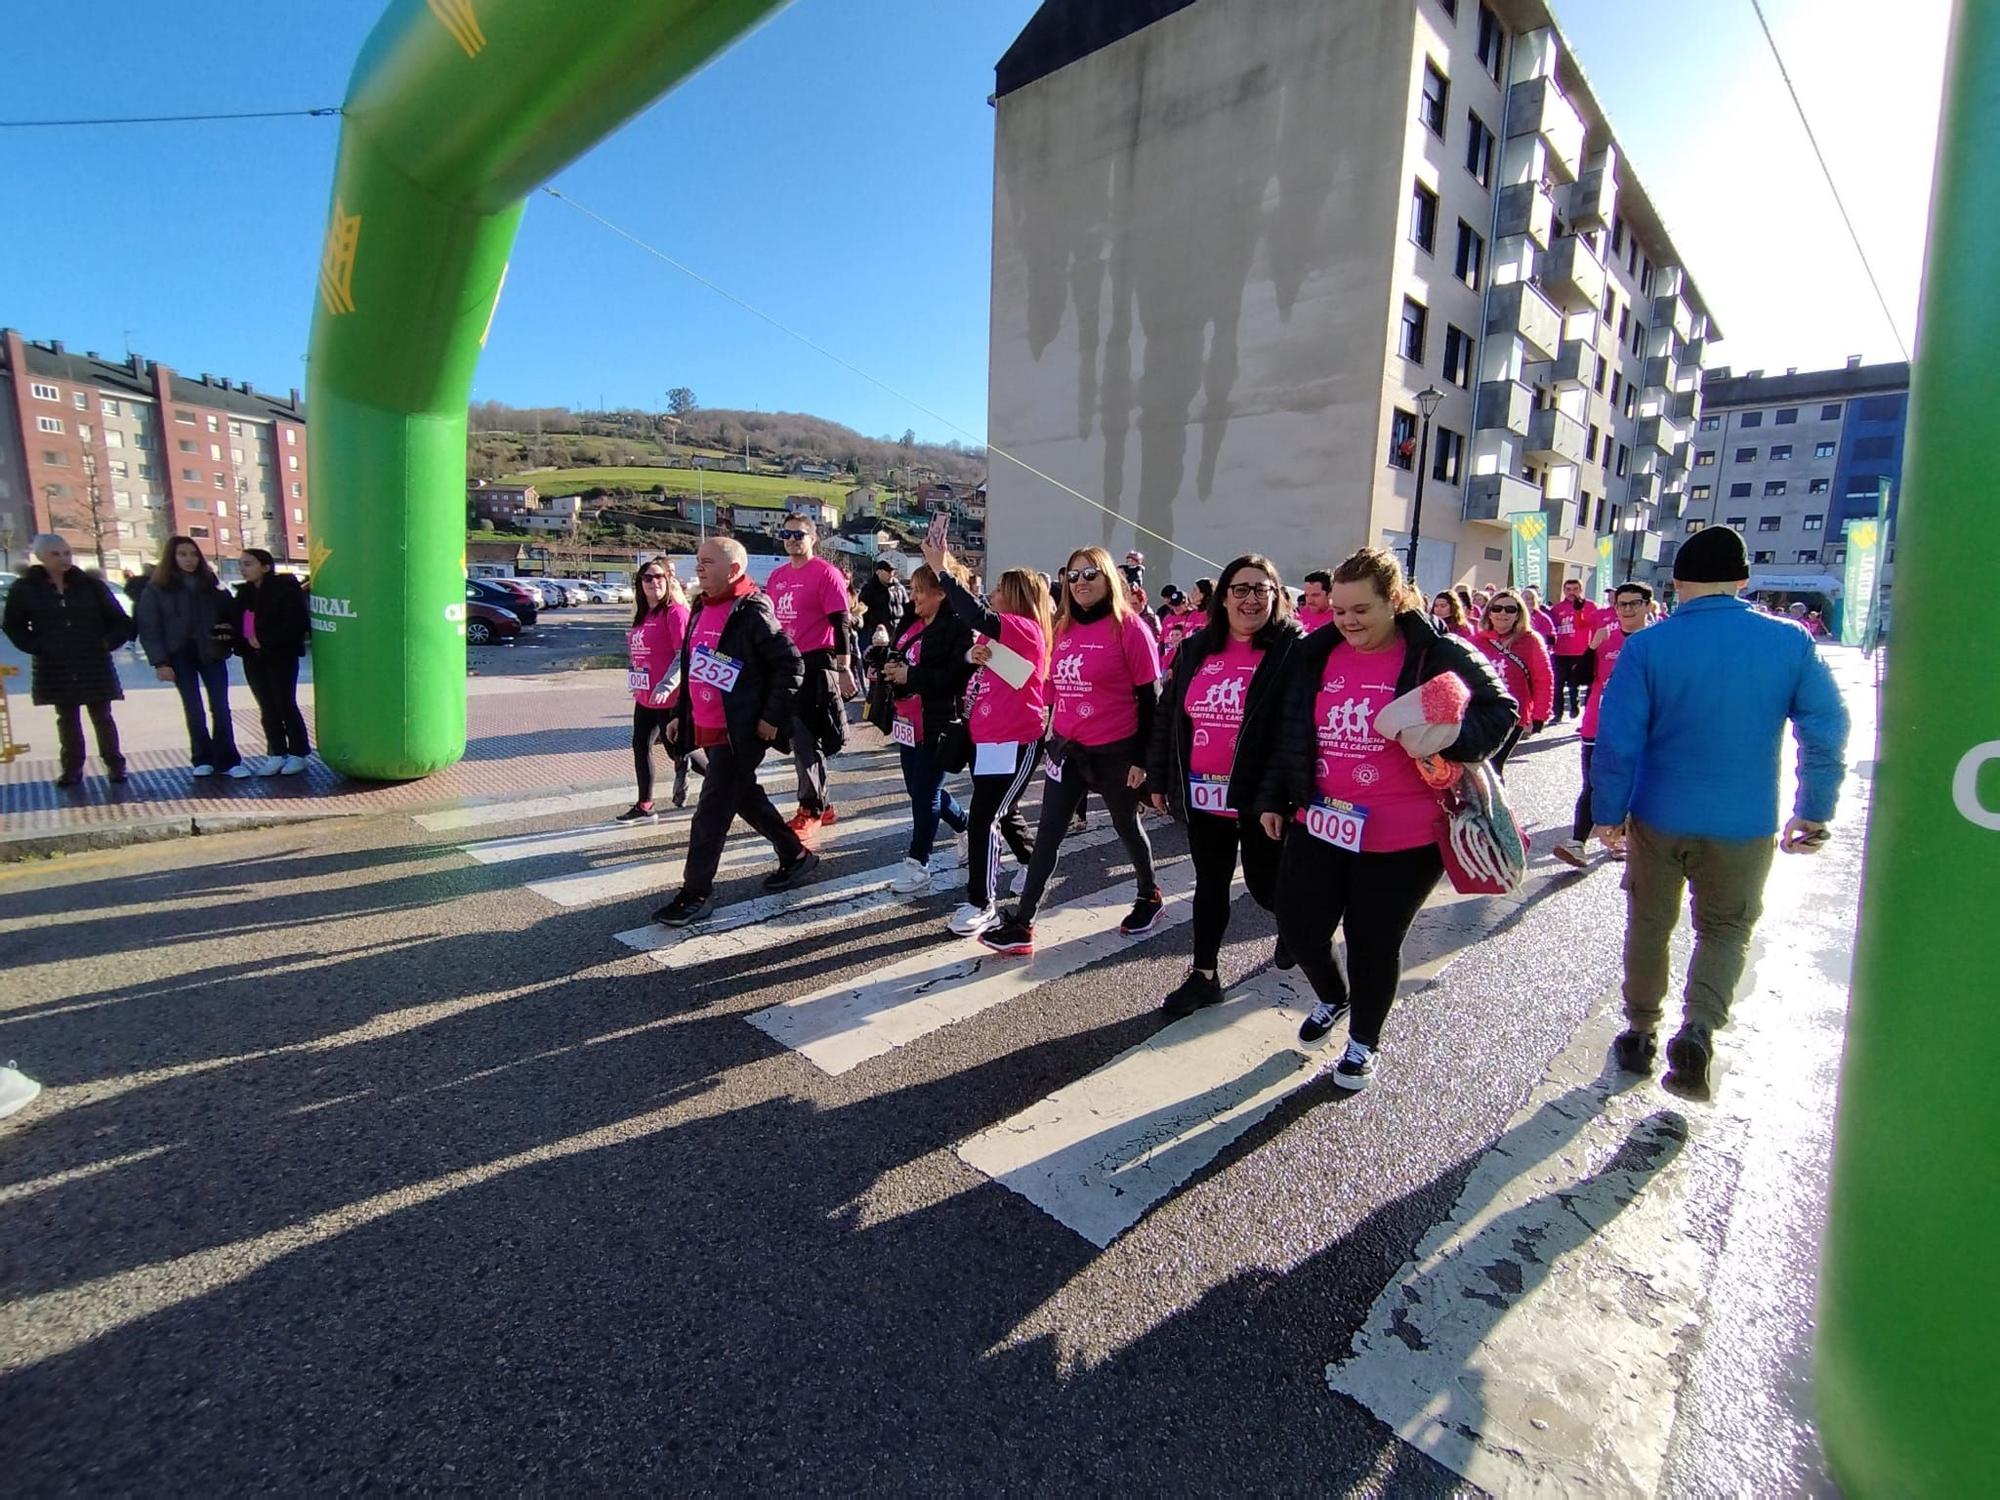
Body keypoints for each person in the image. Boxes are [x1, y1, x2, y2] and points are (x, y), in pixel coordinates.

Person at [1590, 524, 1849, 1097]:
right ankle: (1700, 1027)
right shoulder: (1790, 641)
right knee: (1727, 929)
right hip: (1746, 819)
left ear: (1676, 581)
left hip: (1659, 814)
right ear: (1743, 579)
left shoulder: (1648, 645)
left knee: (1650, 923)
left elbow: (1618, 740)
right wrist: (1814, 807)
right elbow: (1826, 727)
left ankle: (1639, 1030)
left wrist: (1608, 813)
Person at [1254, 547, 1515, 1087]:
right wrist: (1274, 798)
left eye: (1361, 610)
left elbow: (1502, 712)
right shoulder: (1315, 654)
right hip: (1321, 821)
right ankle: (1333, 995)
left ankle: (1362, 1042)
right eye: (1338, 610)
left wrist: (1442, 742)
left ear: (1394, 601)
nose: (1347, 621)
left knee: (1373, 940)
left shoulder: (1436, 652)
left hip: (1404, 834)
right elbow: (1290, 731)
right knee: (1299, 929)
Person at [980, 545, 1164, 956]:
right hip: (1068, 750)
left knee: (1126, 827)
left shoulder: (1130, 629)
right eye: (1074, 575)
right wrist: (1047, 736)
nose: (1081, 583)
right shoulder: (1061, 628)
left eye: (1091, 574)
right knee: (1047, 836)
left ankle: (1148, 894)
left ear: (1109, 580)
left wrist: (1142, 761)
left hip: (1117, 751)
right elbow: (1048, 691)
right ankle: (1022, 923)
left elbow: (1151, 700)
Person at [1146, 553, 1304, 1016]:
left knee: (1265, 887)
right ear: (1223, 597)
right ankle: (1204, 976)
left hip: (1261, 799)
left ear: (1276, 597)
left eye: (1261, 589)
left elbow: (1296, 727)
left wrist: (1280, 793)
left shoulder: (1292, 649)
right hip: (1203, 795)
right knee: (1210, 884)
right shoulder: (1197, 648)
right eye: (1240, 589)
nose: (1250, 599)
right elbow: (1169, 715)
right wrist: (1158, 776)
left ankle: (1296, 929)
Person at [652, 537, 820, 927]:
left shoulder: (752, 610)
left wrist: (770, 719)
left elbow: (790, 665)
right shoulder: (700, 606)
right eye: (697, 561)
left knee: (711, 812)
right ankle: (795, 855)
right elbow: (694, 664)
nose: (699, 568)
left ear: (734, 570)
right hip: (708, 725)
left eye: (708, 562)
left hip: (740, 731)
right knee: (744, 796)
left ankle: (696, 893)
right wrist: (682, 712)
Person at [922, 539, 1053, 935]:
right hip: (987, 740)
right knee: (998, 812)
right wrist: (970, 658)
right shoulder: (1000, 638)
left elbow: (974, 613)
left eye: (998, 588)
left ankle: (982, 902)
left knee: (984, 819)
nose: (991, 593)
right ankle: (1031, 866)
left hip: (1014, 740)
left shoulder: (1024, 628)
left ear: (1015, 595)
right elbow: (987, 666)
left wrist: (942, 568)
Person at [2, 533, 131, 788]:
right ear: (40, 558)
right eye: (55, 554)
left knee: (103, 716)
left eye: (67, 553)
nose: (63, 559)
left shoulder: (91, 585)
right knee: (67, 717)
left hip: (93, 660)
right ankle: (72, 768)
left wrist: (105, 643)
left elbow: (120, 620)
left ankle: (116, 765)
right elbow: (13, 625)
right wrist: (37, 646)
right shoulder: (26, 588)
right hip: (55, 664)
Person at [881, 563, 975, 893]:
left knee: (924, 793)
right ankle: (965, 825)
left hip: (938, 722)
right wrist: (887, 665)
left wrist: (912, 676)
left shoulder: (958, 627)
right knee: (920, 790)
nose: (914, 596)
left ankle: (918, 863)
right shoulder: (911, 618)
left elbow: (955, 678)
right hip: (907, 720)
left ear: (941, 593)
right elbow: (899, 654)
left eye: (920, 590)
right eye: (913, 589)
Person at [1553, 581, 1654, 868]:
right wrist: (1590, 648)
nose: (1627, 609)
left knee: (1634, 785)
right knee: (1592, 785)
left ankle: (1623, 838)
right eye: (1622, 604)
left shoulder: (1655, 642)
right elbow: (1579, 679)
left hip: (1639, 730)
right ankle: (1577, 842)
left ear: (1647, 605)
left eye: (1635, 603)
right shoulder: (1605, 639)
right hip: (1597, 726)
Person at [766, 513, 855, 833]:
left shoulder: (825, 573)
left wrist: (844, 669)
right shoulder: (777, 577)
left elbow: (841, 623)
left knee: (805, 739)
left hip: (815, 663)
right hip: (785, 665)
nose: (792, 539)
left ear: (813, 538)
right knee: (796, 739)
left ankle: (812, 808)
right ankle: (822, 804)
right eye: (786, 534)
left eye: (799, 534)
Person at [136, 534, 243, 777]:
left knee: (221, 706)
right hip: (180, 654)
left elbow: (231, 613)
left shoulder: (211, 584)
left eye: (193, 554)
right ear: (171, 557)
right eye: (182, 554)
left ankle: (228, 759)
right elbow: (149, 626)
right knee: (194, 708)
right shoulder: (157, 588)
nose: (189, 560)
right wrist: (160, 662)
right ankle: (201, 757)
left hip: (212, 652)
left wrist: (230, 635)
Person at [618, 562, 705, 822]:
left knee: (682, 750)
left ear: (668, 581)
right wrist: (636, 677)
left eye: (659, 577)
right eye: (647, 577)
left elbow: (685, 654)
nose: (653, 582)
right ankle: (645, 805)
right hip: (645, 697)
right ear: (639, 583)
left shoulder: (675, 612)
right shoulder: (642, 614)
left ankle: (731, 789)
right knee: (640, 746)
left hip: (671, 698)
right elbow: (639, 653)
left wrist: (666, 684)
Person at [231, 549, 312, 775]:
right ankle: (276, 752)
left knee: (284, 703)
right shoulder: (245, 593)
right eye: (241, 564)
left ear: (265, 566)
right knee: (266, 706)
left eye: (248, 564)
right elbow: (245, 619)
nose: (243, 569)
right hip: (254, 657)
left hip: (281, 656)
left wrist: (265, 640)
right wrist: (248, 640)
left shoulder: (285, 591)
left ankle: (299, 753)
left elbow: (296, 623)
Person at [1473, 589, 1553, 773]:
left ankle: (1494, 802)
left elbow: (1543, 679)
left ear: (1519, 614)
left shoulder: (1531, 641)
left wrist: (1540, 715)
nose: (1503, 613)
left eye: (1510, 609)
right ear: (1489, 612)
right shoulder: (1476, 640)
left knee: (1493, 767)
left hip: (1513, 715)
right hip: (1480, 713)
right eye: (1497, 608)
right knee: (1477, 768)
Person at [1549, 576, 1602, 723]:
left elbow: (1594, 625)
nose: (1571, 592)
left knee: (1574, 684)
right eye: (1568, 589)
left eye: (1575, 589)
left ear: (1581, 590)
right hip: (1560, 652)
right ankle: (1557, 713)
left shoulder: (1590, 606)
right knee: (1558, 684)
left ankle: (1574, 705)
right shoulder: (1557, 608)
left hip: (1581, 652)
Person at [857, 557, 909, 644]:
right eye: (888, 571)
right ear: (878, 572)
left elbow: (907, 608)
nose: (891, 574)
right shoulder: (869, 590)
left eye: (893, 572)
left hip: (898, 632)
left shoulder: (899, 588)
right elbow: (863, 613)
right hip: (876, 634)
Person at [1295, 570, 1334, 635]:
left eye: (1315, 595)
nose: (1309, 601)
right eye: (1306, 595)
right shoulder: (1302, 612)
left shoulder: (1338, 620)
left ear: (1330, 594)